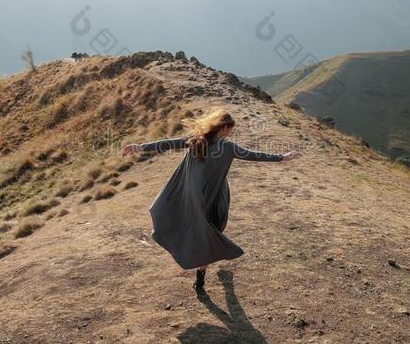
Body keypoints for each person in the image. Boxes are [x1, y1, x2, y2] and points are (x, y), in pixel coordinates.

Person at [123, 108, 300, 290]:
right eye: (229, 128)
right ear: (223, 128)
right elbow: (254, 155)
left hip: (194, 198)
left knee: (203, 232)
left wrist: (139, 147)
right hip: (214, 197)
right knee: (211, 232)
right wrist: (282, 158)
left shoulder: (195, 141)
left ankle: (200, 279)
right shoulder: (228, 147)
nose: (230, 132)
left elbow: (167, 144)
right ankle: (201, 275)